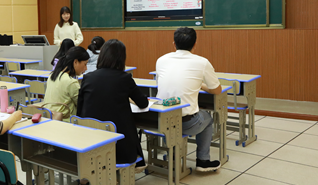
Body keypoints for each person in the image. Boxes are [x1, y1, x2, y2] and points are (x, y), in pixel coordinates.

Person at [156, 27, 222, 172]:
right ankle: (203, 161)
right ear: (195, 44)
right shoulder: (202, 62)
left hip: (160, 120)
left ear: (174, 44)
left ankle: (173, 157)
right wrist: (201, 85)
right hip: (186, 123)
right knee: (208, 119)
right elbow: (217, 90)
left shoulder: (161, 60)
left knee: (171, 119)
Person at [77, 39, 148, 170]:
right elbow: (143, 103)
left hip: (91, 141)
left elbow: (80, 109)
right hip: (119, 144)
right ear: (122, 58)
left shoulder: (88, 78)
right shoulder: (124, 78)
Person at [43, 46, 89, 121]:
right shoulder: (71, 82)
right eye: (85, 64)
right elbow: (81, 105)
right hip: (65, 122)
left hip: (49, 118)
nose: (86, 68)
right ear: (75, 62)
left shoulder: (52, 76)